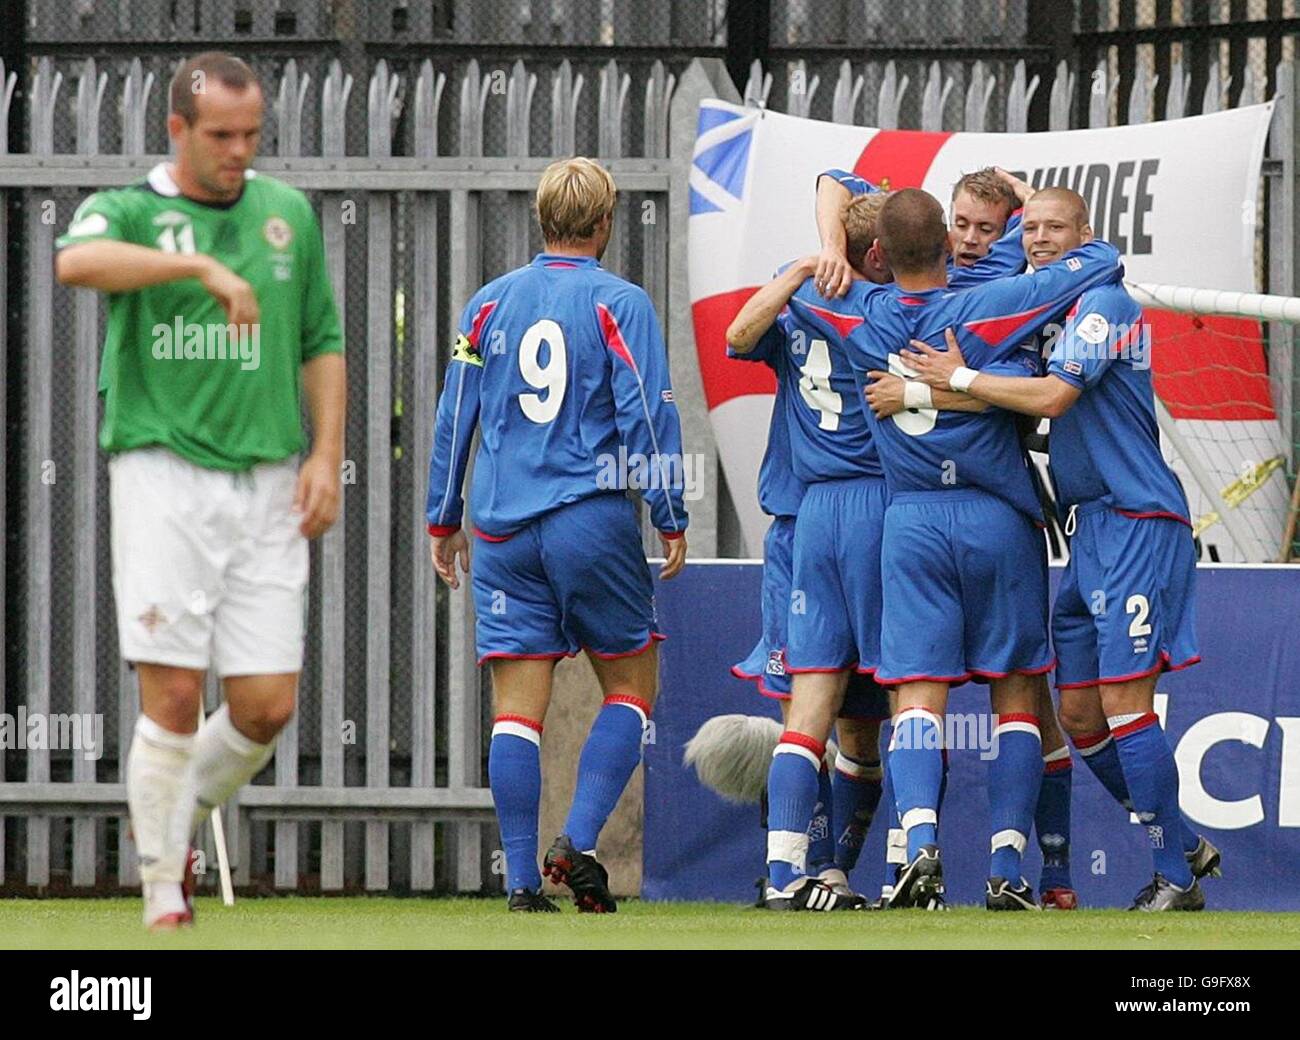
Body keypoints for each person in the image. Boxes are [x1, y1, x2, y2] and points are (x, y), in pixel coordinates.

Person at [55, 52, 346, 930]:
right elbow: (76, 263)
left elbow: (321, 341)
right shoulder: (133, 208)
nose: (239, 152)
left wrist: (325, 454)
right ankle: (160, 892)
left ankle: (179, 820)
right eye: (222, 135)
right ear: (177, 129)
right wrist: (198, 271)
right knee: (174, 694)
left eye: (252, 134)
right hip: (162, 471)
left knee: (267, 705)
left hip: (265, 479)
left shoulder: (285, 212)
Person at [900, 186, 1222, 910]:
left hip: (1137, 521)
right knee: (1077, 716)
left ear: (1086, 235)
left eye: (1055, 229)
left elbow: (1050, 400)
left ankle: (1174, 875)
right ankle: (1182, 837)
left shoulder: (1105, 303)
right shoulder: (1048, 307)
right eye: (1033, 228)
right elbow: (1011, 390)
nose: (1040, 240)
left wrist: (948, 378)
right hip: (1085, 531)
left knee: (1126, 703)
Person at [841, 188, 1123, 909]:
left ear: (878, 256)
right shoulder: (989, 308)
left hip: (910, 525)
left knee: (915, 695)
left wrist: (913, 395)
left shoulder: (860, 318)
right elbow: (1098, 260)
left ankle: (920, 847)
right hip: (999, 518)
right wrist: (1039, 207)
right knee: (1019, 697)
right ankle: (1006, 867)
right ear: (946, 245)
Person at [425, 157, 688, 913]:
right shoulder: (621, 301)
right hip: (589, 518)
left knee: (517, 710)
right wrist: (668, 514)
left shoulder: (486, 305)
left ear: (540, 220)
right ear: (604, 223)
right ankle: (571, 842)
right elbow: (648, 416)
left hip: (501, 527)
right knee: (633, 689)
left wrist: (445, 521)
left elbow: (454, 418)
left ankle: (515, 882)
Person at [728, 191, 982, 909]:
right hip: (882, 508)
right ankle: (909, 866)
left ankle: (786, 876)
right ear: (881, 256)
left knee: (812, 705)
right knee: (910, 691)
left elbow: (739, 336)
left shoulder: (808, 302)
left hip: (812, 515)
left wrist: (805, 267)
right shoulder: (887, 314)